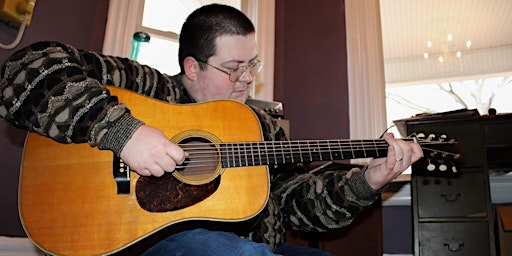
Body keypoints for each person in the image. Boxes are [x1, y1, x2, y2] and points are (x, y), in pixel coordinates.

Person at [0, 4, 423, 256]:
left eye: (252, 66)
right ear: (192, 68)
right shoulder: (149, 89)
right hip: (140, 243)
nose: (246, 80)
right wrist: (123, 133)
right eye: (233, 68)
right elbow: (26, 69)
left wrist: (369, 180)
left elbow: (298, 206)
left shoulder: (258, 126)